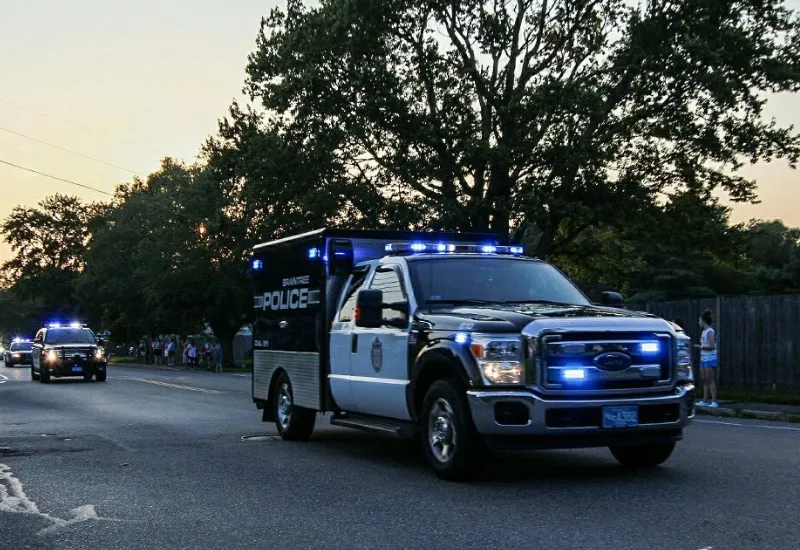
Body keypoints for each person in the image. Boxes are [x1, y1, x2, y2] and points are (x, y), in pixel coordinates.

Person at [695, 309, 718, 408]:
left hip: (710, 358)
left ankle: (714, 401)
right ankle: (704, 400)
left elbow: (712, 346)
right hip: (703, 358)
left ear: (704, 321)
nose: (699, 322)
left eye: (700, 320)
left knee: (710, 380)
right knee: (704, 379)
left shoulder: (709, 332)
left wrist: (701, 347)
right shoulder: (703, 332)